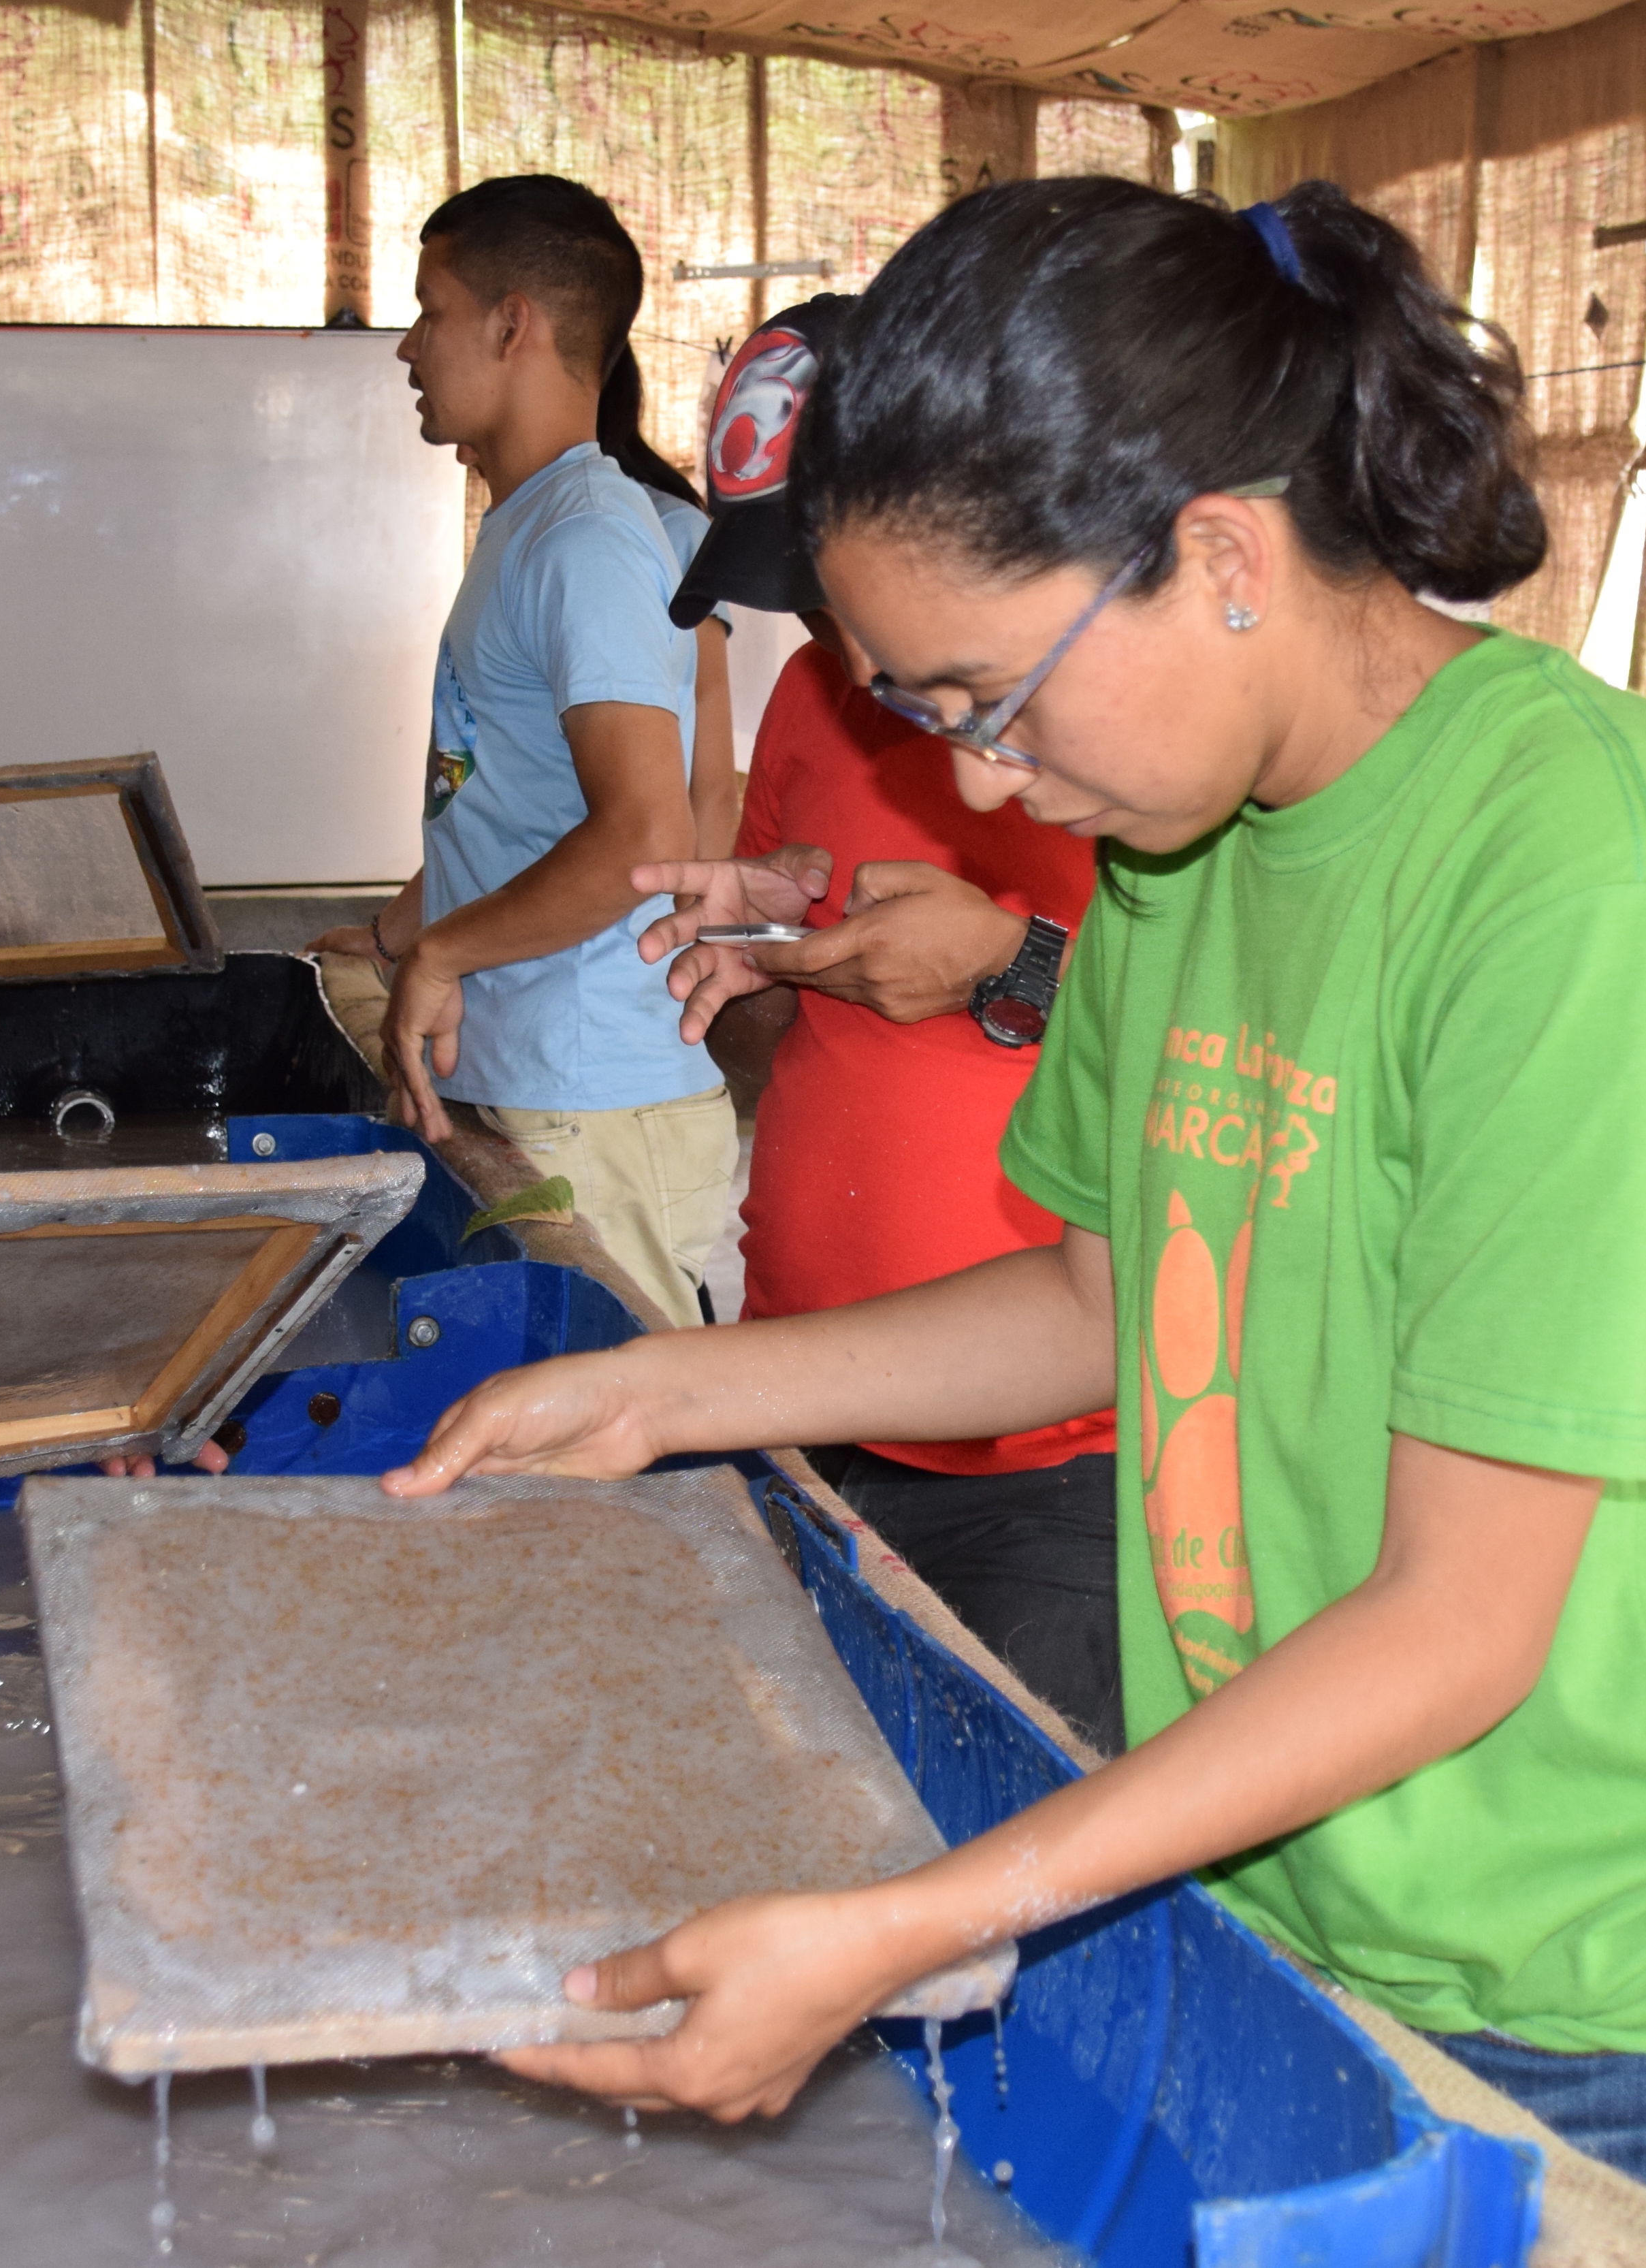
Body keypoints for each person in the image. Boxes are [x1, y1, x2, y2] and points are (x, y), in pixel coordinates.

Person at [385, 179, 1646, 2250]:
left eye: (991, 697)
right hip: (1285, 1865)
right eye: (926, 716)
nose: (982, 792)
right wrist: (673, 1390)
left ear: (1217, 552)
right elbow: (1106, 1298)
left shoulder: (1578, 891)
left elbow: (1459, 1621)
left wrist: (920, 1921)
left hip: (1589, 1964)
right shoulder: (1189, 844)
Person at [644, 296, 1121, 1750]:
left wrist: (1006, 964)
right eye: (808, 605)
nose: (852, 662)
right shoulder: (813, 687)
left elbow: (1191, 1023)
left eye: (852, 603)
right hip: (813, 1380)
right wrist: (771, 919)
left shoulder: (1116, 727)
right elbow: (819, 875)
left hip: (1038, 1451)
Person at [312, 174, 732, 1330]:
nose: (406, 347)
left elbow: (648, 832)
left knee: (619, 1453)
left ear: (513, 323)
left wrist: (442, 956)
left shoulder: (589, 537)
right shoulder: (528, 528)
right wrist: (405, 927)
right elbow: (511, 803)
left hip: (593, 1097)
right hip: (542, 1081)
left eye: (428, 310)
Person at [594, 345, 737, 859]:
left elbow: (712, 779)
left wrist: (701, 920)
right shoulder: (513, 527)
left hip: (637, 906)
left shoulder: (675, 531)